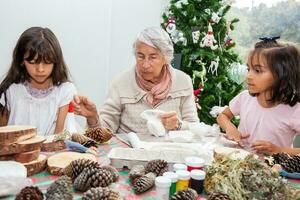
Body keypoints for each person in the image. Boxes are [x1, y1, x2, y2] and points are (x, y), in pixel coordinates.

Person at [73, 27, 199, 135]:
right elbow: (105, 132)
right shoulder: (121, 83)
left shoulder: (183, 81)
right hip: (130, 155)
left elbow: (195, 129)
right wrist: (93, 117)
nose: (145, 64)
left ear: (165, 58)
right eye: (140, 56)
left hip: (169, 154)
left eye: (153, 57)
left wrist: (178, 125)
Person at [217, 41, 300, 155]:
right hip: (239, 165)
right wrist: (230, 128)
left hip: (272, 171)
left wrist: (278, 150)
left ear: (282, 74)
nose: (249, 76)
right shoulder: (244, 97)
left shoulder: (295, 110)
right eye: (248, 69)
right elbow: (223, 116)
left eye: (257, 70)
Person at [0, 27, 76, 136]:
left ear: (56, 61)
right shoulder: (11, 91)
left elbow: (59, 138)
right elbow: (2, 139)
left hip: (53, 152)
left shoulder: (65, 91)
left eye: (47, 62)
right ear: (21, 60)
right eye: (32, 62)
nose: (40, 69)